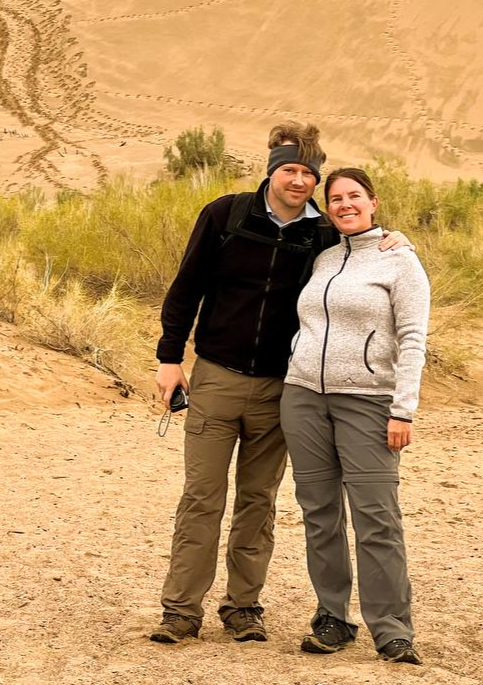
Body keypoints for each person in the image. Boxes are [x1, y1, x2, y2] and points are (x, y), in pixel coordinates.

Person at [150, 124, 412, 645]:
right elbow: (187, 288)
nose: (298, 180)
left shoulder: (321, 234)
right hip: (217, 376)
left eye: (307, 173)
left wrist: (397, 237)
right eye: (289, 169)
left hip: (280, 388)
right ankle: (181, 610)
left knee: (258, 499)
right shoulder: (224, 214)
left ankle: (243, 607)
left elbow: (362, 241)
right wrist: (168, 358)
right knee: (202, 495)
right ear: (271, 170)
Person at [281, 167, 430, 665]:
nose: (345, 204)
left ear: (373, 202)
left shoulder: (400, 260)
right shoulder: (323, 258)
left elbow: (413, 340)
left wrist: (402, 409)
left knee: (376, 519)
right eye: (336, 198)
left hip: (368, 401)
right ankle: (333, 617)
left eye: (355, 196)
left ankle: (392, 629)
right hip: (303, 397)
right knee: (319, 515)